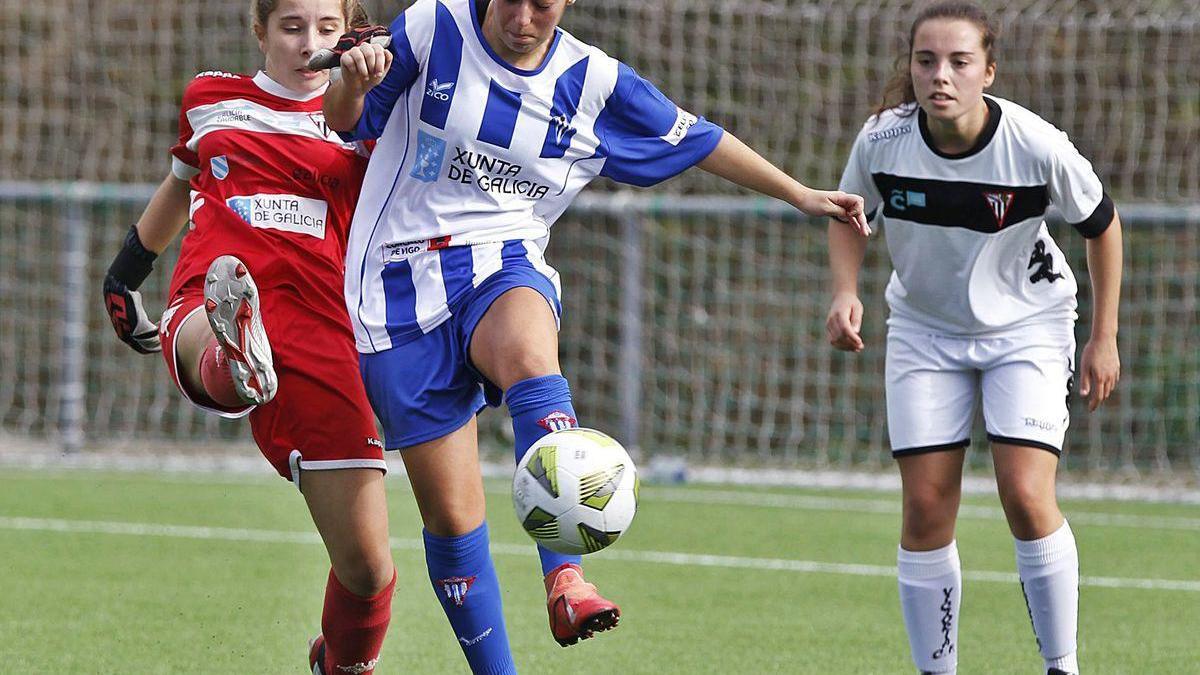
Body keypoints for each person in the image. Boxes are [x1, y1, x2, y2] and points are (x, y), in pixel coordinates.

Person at [321, 0, 869, 672]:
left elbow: (697, 136)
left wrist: (801, 194)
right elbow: (343, 119)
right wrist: (352, 78)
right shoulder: (434, 26)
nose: (523, 16)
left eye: (542, 3)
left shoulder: (593, 82)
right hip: (394, 292)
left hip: (502, 260)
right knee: (455, 525)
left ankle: (566, 579)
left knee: (528, 351)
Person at [101, 2, 398, 673]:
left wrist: (382, 71)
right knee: (209, 330)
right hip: (214, 289)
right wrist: (124, 276)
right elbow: (180, 185)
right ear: (259, 32)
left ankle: (340, 663)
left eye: (326, 27)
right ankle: (233, 357)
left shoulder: (373, 117)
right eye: (292, 26)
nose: (309, 42)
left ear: (348, 31)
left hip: (324, 330)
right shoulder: (212, 99)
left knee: (369, 569)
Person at [825, 3, 1122, 674]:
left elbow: (1103, 226)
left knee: (1024, 493)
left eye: (960, 62)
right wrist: (845, 291)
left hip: (1027, 327)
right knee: (926, 505)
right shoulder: (881, 139)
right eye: (925, 60)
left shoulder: (1035, 144)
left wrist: (1103, 337)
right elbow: (850, 213)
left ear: (988, 71)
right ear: (910, 67)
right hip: (925, 332)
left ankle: (1062, 665)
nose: (940, 75)